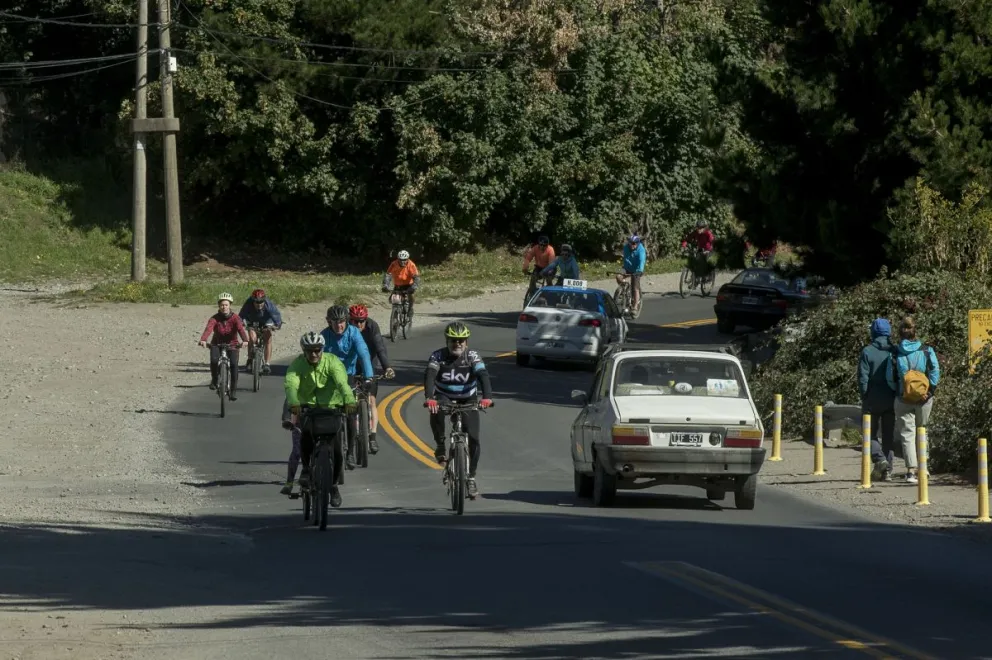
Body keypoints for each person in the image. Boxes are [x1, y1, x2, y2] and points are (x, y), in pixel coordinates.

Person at [284, 331, 357, 509]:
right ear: (304, 351)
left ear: (322, 349)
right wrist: (294, 403)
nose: (314, 354)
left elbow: (342, 383)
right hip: (308, 409)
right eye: (310, 351)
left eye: (317, 350)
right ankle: (306, 469)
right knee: (305, 438)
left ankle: (333, 486)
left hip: (331, 408)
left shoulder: (332, 361)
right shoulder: (298, 364)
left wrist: (349, 401)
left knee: (337, 451)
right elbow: (291, 384)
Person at [423, 322, 494, 499]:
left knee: (474, 437)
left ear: (466, 342)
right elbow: (430, 375)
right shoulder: (437, 356)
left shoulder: (472, 356)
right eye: (453, 340)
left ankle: (471, 477)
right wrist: (429, 397)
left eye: (461, 340)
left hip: (468, 397)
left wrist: (487, 397)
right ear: (447, 341)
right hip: (444, 395)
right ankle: (440, 445)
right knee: (435, 408)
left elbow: (483, 375)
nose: (457, 344)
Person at [885, 316, 940, 484]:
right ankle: (924, 468)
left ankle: (910, 471)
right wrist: (930, 391)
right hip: (924, 398)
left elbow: (889, 377)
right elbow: (935, 370)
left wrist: (899, 391)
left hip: (903, 398)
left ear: (900, 334)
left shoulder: (895, 353)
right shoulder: (926, 350)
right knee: (922, 430)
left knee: (907, 434)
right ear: (915, 332)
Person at [320, 305, 375, 468]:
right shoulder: (324, 336)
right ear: (329, 322)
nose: (339, 325)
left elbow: (364, 354)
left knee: (351, 413)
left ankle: (350, 452)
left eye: (342, 322)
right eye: (335, 322)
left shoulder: (354, 333)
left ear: (347, 321)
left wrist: (369, 376)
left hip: (348, 375)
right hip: (330, 377)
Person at [349, 304, 396, 452]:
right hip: (351, 364)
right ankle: (352, 432)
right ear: (350, 320)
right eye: (355, 321)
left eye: (361, 321)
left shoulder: (372, 326)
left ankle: (373, 437)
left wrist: (387, 367)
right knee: (350, 401)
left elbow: (380, 348)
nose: (359, 324)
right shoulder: (346, 328)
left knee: (371, 401)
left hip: (369, 363)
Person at [858, 318, 897, 481]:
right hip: (891, 397)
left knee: (869, 433)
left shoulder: (867, 351)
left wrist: (865, 395)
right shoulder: (894, 350)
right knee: (888, 435)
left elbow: (863, 377)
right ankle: (887, 471)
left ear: (873, 332)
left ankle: (879, 459)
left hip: (872, 398)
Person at [198, 292, 249, 400]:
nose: (224, 307)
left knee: (234, 365)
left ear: (230, 305)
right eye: (222, 305)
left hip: (232, 344)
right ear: (219, 306)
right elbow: (208, 329)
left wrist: (245, 340)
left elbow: (240, 329)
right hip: (217, 343)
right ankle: (215, 380)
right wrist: (203, 339)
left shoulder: (235, 318)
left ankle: (233, 391)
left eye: (226, 305)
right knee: (214, 361)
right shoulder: (214, 318)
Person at [238, 288, 283, 374]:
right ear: (253, 300)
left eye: (261, 302)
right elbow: (241, 315)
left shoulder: (269, 305)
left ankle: (267, 364)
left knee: (268, 338)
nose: (259, 304)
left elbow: (276, 315)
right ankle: (250, 359)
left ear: (264, 300)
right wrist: (240, 323)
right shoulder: (248, 303)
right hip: (252, 319)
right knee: (252, 338)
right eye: (256, 302)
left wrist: (277, 325)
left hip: (266, 320)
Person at [382, 249, 421, 322]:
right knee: (391, 299)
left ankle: (410, 309)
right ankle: (395, 313)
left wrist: (413, 287)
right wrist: (385, 285)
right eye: (400, 260)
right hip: (398, 285)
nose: (402, 261)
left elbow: (416, 277)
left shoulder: (411, 265)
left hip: (408, 285)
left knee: (410, 296)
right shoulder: (394, 264)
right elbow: (388, 275)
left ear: (408, 259)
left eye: (404, 260)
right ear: (398, 259)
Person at [522, 235, 555, 300]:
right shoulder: (535, 248)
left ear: (547, 245)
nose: (542, 247)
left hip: (549, 267)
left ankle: (551, 293)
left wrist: (546, 272)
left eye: (544, 246)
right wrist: (525, 268)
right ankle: (532, 293)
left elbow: (551, 264)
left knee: (548, 278)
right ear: (538, 244)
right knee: (533, 278)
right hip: (539, 267)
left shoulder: (550, 250)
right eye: (541, 245)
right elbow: (528, 258)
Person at [621, 234, 647, 313]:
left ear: (637, 243)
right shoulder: (626, 247)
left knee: (635, 288)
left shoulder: (641, 250)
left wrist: (640, 271)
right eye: (630, 243)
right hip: (627, 268)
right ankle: (624, 289)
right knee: (618, 276)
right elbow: (625, 258)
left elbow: (642, 261)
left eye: (633, 243)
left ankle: (635, 306)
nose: (631, 245)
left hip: (637, 270)